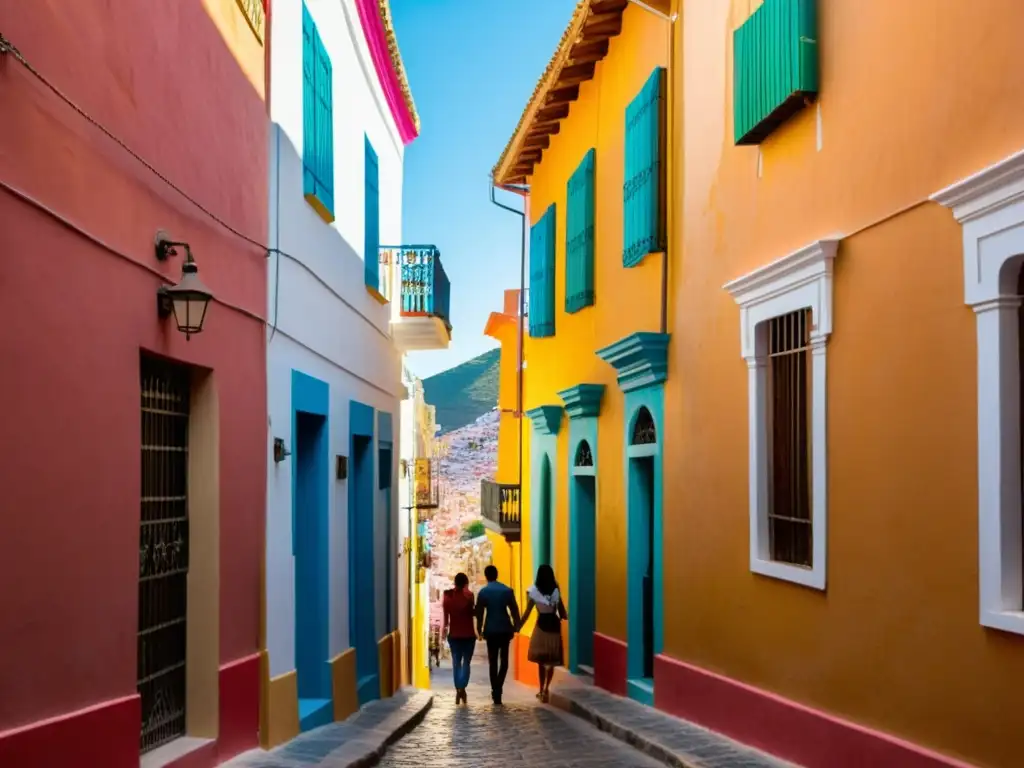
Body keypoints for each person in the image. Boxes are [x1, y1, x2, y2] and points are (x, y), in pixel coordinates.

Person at [519, 564, 567, 703]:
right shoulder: (556, 591)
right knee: (551, 660)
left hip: (541, 626)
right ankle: (546, 688)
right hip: (554, 626)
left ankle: (540, 689)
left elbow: (527, 613)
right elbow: (562, 613)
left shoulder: (534, 592)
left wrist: (518, 626)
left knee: (541, 660)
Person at [475, 564, 520, 705]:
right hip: (505, 629)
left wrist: (479, 629)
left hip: (491, 630)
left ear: (486, 576)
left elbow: (480, 613)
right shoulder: (507, 590)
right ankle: (498, 686)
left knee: (493, 661)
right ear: (497, 574)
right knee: (504, 661)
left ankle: (495, 689)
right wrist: (516, 625)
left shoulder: (483, 592)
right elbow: (514, 610)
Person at [442, 572, 476, 704]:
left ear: (454, 582)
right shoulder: (470, 596)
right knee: (466, 662)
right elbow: (472, 612)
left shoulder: (447, 595)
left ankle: (459, 689)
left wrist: (444, 633)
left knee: (456, 663)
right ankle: (462, 687)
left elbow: (446, 619)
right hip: (468, 635)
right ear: (466, 583)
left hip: (454, 635)